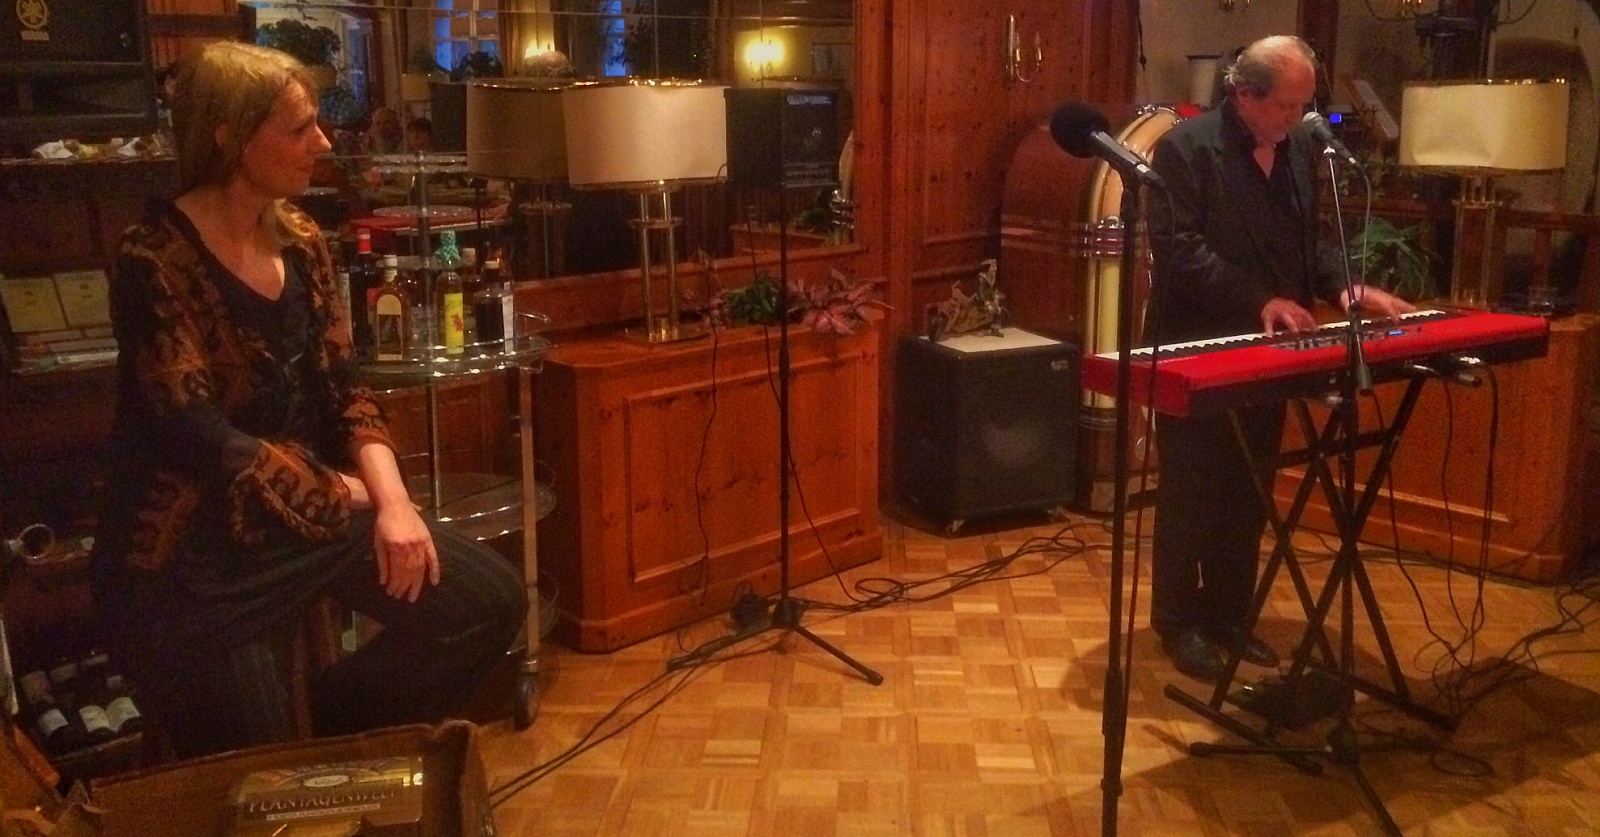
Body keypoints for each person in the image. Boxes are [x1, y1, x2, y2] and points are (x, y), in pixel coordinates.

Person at [89, 41, 526, 758]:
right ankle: (300, 760)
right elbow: (195, 432)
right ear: (229, 136)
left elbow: (344, 387)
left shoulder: (301, 241)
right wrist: (345, 492)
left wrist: (395, 504)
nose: (323, 142)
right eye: (299, 129)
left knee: (488, 603)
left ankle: (331, 741)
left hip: (304, 520)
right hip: (196, 561)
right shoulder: (151, 257)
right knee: (259, 776)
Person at [1145, 35, 1414, 681]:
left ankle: (1229, 615)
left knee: (1248, 491)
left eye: (1304, 104)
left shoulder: (1296, 150)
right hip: (1198, 343)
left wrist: (1344, 285)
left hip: (1269, 349)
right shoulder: (1187, 149)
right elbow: (1179, 250)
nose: (1299, 117)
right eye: (1288, 106)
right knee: (1192, 491)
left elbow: (1304, 243)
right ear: (1245, 95)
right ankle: (1178, 621)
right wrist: (1259, 298)